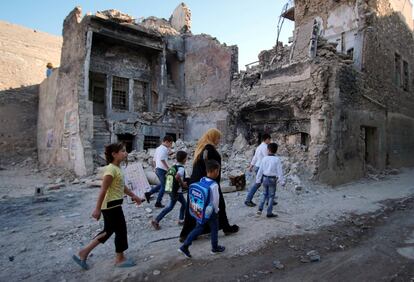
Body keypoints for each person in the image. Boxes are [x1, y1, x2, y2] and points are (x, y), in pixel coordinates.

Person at [72, 143, 143, 270]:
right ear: (114, 154)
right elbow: (103, 190)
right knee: (119, 231)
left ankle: (85, 252)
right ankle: (119, 259)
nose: (125, 153)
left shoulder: (117, 168)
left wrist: (134, 196)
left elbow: (122, 187)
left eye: (125, 151)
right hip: (110, 206)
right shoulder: (110, 170)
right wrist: (97, 209)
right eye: (123, 151)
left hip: (114, 205)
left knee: (109, 231)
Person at [179, 128, 239, 242]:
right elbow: (210, 167)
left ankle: (186, 234)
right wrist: (213, 182)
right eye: (218, 138)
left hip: (196, 182)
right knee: (218, 204)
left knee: (194, 206)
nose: (219, 140)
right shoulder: (209, 149)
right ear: (213, 137)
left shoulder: (201, 148)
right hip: (207, 182)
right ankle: (225, 228)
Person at [178, 160, 225, 258]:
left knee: (198, 228)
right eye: (218, 171)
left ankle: (185, 246)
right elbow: (215, 201)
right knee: (214, 229)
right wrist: (216, 211)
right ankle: (215, 248)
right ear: (215, 171)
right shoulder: (214, 185)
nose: (218, 173)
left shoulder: (202, 179)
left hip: (200, 210)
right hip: (211, 212)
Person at [151, 150, 188, 230]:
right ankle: (157, 220)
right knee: (174, 206)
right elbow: (177, 177)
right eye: (186, 158)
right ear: (184, 159)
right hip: (177, 191)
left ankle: (180, 220)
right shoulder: (181, 169)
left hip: (171, 189)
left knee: (179, 205)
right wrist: (182, 184)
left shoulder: (174, 166)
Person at [255, 143, 285, 218]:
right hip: (272, 179)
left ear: (268, 150)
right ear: (276, 150)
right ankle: (269, 212)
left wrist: (258, 179)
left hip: (265, 178)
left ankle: (260, 209)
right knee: (271, 196)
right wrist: (282, 181)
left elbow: (260, 170)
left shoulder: (264, 159)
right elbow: (279, 171)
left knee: (264, 194)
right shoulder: (277, 159)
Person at [144, 135, 174, 208]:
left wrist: (155, 168)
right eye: (170, 143)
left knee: (162, 184)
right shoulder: (163, 149)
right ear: (167, 142)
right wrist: (168, 168)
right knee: (164, 186)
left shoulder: (158, 148)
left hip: (158, 169)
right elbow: (162, 159)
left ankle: (148, 193)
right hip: (162, 170)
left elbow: (154, 160)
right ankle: (158, 202)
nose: (171, 145)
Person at [245, 133, 271, 207]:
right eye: (269, 140)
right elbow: (267, 158)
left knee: (264, 183)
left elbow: (255, 157)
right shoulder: (265, 147)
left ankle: (268, 200)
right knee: (259, 184)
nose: (270, 141)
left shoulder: (259, 147)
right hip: (262, 168)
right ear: (266, 139)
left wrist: (251, 166)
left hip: (257, 166)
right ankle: (248, 200)